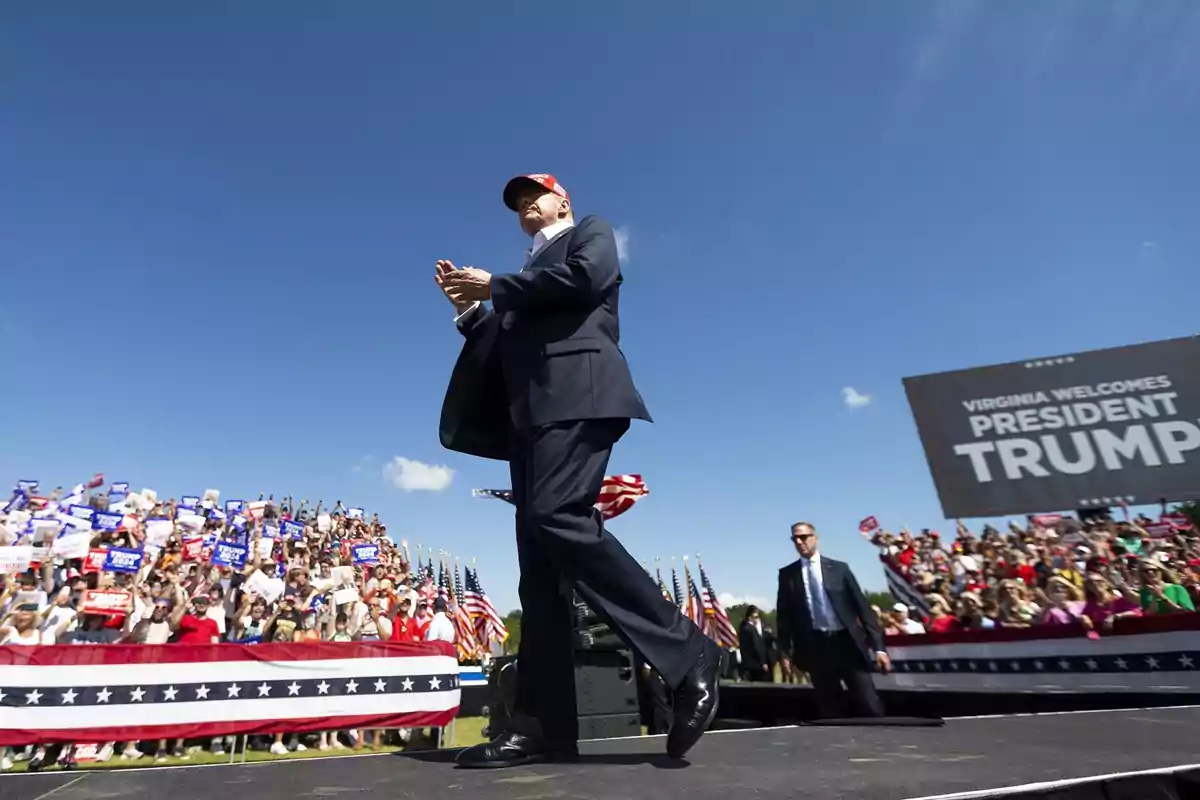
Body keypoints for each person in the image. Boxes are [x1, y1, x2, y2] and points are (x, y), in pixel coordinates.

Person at [435, 173, 720, 767]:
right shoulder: (521, 281)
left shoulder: (588, 233)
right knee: (539, 573)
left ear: (561, 200)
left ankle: (687, 649)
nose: (525, 206)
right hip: (527, 418)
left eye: (534, 195)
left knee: (556, 514)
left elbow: (584, 281)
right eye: (517, 204)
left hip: (580, 396)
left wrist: (496, 285)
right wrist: (471, 313)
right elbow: (507, 344)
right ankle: (542, 728)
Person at [776, 521, 890, 719]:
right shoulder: (788, 575)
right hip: (816, 647)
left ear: (815, 538)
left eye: (804, 537)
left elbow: (863, 609)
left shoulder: (839, 569)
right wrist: (785, 652)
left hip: (846, 643)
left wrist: (879, 648)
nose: (800, 542)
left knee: (868, 701)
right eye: (795, 539)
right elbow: (785, 617)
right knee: (830, 707)